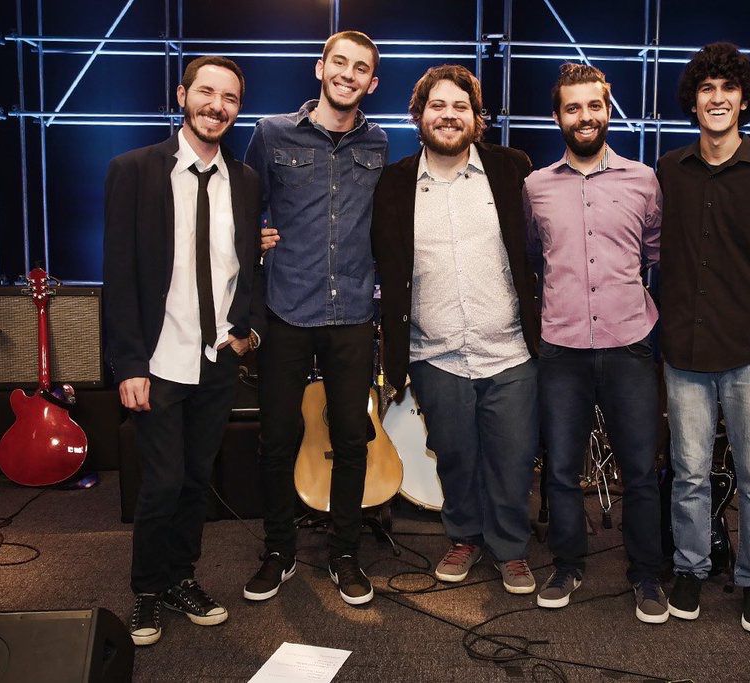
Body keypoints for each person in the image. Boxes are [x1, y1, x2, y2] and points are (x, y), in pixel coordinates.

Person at [103, 55, 263, 646]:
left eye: (230, 98)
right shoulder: (133, 170)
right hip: (158, 360)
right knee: (163, 482)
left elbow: (247, 266)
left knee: (197, 481)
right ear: (182, 95)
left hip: (217, 358)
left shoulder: (245, 181)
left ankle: (181, 578)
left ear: (237, 109)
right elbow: (119, 274)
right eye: (206, 92)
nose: (217, 106)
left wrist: (246, 331)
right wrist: (128, 364)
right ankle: (147, 590)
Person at [658, 42, 750, 634]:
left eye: (728, 88)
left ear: (743, 100)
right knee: (689, 474)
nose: (717, 98)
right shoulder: (670, 170)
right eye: (707, 89)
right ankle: (690, 569)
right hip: (686, 352)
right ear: (693, 101)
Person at [371, 65, 541, 594]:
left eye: (460, 106)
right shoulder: (395, 183)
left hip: (510, 349)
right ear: (419, 115)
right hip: (435, 351)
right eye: (437, 106)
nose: (449, 115)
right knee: (455, 456)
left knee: (513, 460)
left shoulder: (512, 169)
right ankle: (464, 537)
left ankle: (510, 549)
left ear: (476, 117)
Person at [243, 30, 387, 606]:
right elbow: (242, 205)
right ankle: (278, 551)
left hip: (352, 310)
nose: (348, 74)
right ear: (319, 68)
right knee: (277, 438)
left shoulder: (379, 143)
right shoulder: (270, 133)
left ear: (371, 83)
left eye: (361, 68)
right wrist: (252, 237)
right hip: (286, 307)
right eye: (340, 63)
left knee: (352, 438)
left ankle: (344, 553)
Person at [523, 63, 668, 623]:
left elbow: (656, 253)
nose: (584, 116)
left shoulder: (644, 180)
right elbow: (533, 258)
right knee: (561, 469)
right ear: (557, 116)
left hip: (629, 342)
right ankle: (567, 565)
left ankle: (646, 574)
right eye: (572, 107)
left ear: (608, 110)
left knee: (640, 470)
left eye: (594, 106)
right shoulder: (535, 187)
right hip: (561, 348)